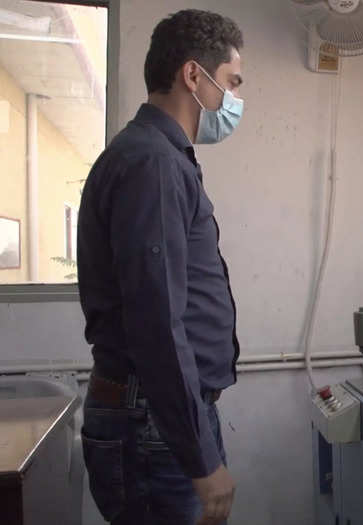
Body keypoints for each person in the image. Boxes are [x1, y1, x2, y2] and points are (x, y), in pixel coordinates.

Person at [77, 9, 244, 525]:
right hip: (154, 421)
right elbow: (156, 322)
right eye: (232, 83)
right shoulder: (153, 163)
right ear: (194, 76)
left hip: (159, 414)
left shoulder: (158, 158)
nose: (234, 101)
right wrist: (199, 455)